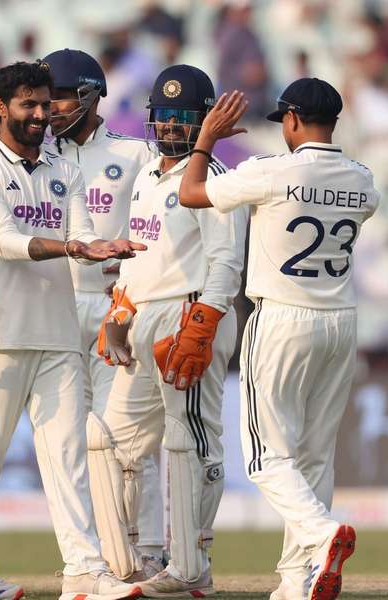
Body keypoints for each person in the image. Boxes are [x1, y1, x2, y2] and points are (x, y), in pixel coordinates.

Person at [0, 60, 145, 600]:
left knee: (69, 458)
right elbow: (8, 243)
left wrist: (98, 247)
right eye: (29, 105)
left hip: (56, 336)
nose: (41, 114)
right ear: (2, 109)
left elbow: (80, 232)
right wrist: (77, 246)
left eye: (46, 103)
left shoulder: (64, 168)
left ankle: (84, 569)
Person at [178, 78, 380, 600]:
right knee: (314, 457)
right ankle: (296, 581)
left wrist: (205, 140)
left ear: (291, 120)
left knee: (267, 458)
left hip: (283, 320)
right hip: (341, 321)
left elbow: (190, 193)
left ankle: (322, 534)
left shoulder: (270, 172)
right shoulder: (363, 181)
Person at [96, 64, 246, 596]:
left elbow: (226, 262)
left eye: (184, 119)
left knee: (191, 441)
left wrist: (203, 323)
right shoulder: (143, 176)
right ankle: (134, 559)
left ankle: (193, 560)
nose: (171, 128)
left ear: (204, 122)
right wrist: (118, 310)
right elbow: (138, 253)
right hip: (141, 316)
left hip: (190, 312)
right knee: (110, 441)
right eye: (164, 116)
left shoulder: (216, 180)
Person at [40, 47, 167, 582]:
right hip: (56, 309)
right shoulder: (35, 157)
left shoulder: (134, 153)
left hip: (116, 308)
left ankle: (153, 548)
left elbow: (167, 216)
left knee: (129, 436)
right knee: (73, 441)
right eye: (46, 99)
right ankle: (100, 558)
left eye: (62, 97)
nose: (51, 109)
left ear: (91, 96)